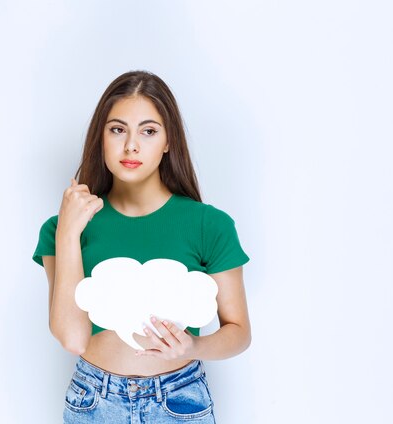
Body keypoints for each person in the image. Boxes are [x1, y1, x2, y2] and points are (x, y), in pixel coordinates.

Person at [32, 70, 251, 423]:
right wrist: (69, 235)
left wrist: (194, 346)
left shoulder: (209, 225)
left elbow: (238, 332)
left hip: (179, 401)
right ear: (101, 138)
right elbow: (72, 338)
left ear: (168, 142)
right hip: (94, 402)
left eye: (148, 131)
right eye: (118, 129)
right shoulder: (61, 230)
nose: (131, 145)